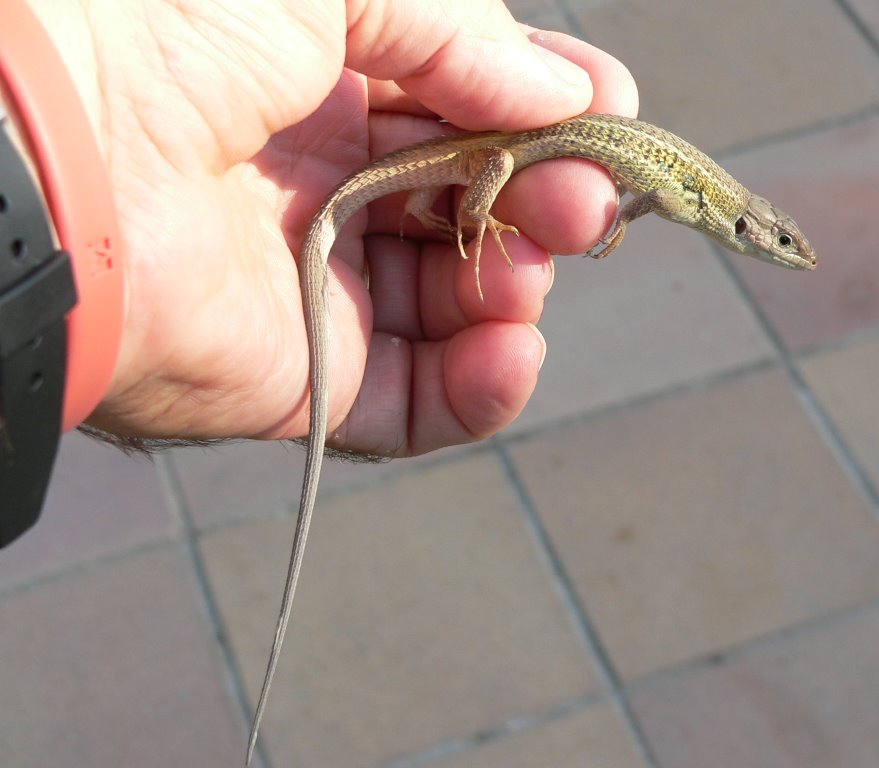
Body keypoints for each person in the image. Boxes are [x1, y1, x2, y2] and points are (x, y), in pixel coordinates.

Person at [0, 0, 638, 526]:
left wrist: (110, 282)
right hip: (477, 155)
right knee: (508, 201)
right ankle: (464, 214)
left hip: (451, 158)